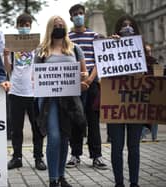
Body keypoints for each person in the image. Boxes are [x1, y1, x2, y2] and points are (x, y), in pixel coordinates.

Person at [35, 15, 87, 187]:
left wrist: (82, 78)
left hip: (70, 100)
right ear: (50, 28)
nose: (59, 27)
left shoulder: (75, 48)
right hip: (49, 100)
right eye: (56, 25)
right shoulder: (42, 50)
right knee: (54, 137)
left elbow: (84, 72)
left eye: (61, 25)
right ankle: (52, 179)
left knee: (65, 136)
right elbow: (34, 76)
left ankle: (61, 176)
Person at [66, 4, 107, 169]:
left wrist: (89, 80)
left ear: (85, 15)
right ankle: (75, 155)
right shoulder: (67, 38)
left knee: (93, 120)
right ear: (71, 17)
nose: (78, 16)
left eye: (80, 13)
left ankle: (97, 156)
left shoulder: (95, 36)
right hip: (73, 84)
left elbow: (100, 60)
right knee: (76, 120)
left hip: (92, 84)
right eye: (75, 14)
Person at [4, 13, 46, 171]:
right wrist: (6, 55)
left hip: (34, 92)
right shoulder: (12, 45)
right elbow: (8, 70)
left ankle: (38, 158)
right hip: (16, 91)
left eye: (27, 25)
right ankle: (17, 157)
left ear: (31, 26)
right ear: (17, 26)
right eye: (21, 25)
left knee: (37, 128)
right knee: (16, 128)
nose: (24, 27)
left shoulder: (38, 45)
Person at [109, 15, 144, 187]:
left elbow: (147, 77)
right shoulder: (110, 48)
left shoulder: (142, 49)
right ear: (118, 29)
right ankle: (119, 183)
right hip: (115, 104)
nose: (127, 28)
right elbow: (105, 73)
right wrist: (110, 47)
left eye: (131, 25)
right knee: (117, 148)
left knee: (134, 148)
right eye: (124, 25)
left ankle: (134, 183)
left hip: (134, 104)